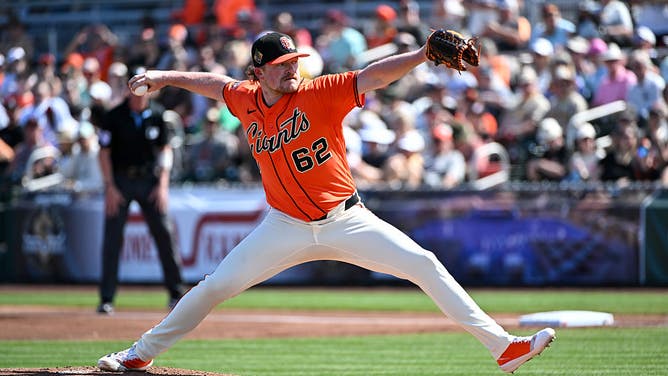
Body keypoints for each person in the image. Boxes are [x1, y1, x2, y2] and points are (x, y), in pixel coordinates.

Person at [97, 31, 555, 374]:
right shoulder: (245, 99)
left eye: (294, 59)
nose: (291, 68)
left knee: (425, 263)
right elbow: (214, 83)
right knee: (214, 287)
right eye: (280, 64)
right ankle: (139, 354)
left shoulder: (320, 92)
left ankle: (503, 347)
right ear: (258, 72)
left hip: (346, 219)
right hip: (284, 226)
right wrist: (162, 78)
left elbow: (372, 77)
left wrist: (420, 55)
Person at [96, 71, 187, 315]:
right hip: (121, 181)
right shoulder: (114, 116)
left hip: (150, 181)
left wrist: (163, 185)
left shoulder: (157, 115)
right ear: (128, 89)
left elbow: (165, 150)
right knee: (112, 239)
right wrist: (110, 187)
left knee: (164, 234)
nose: (138, 94)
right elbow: (103, 153)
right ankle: (106, 298)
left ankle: (176, 294)